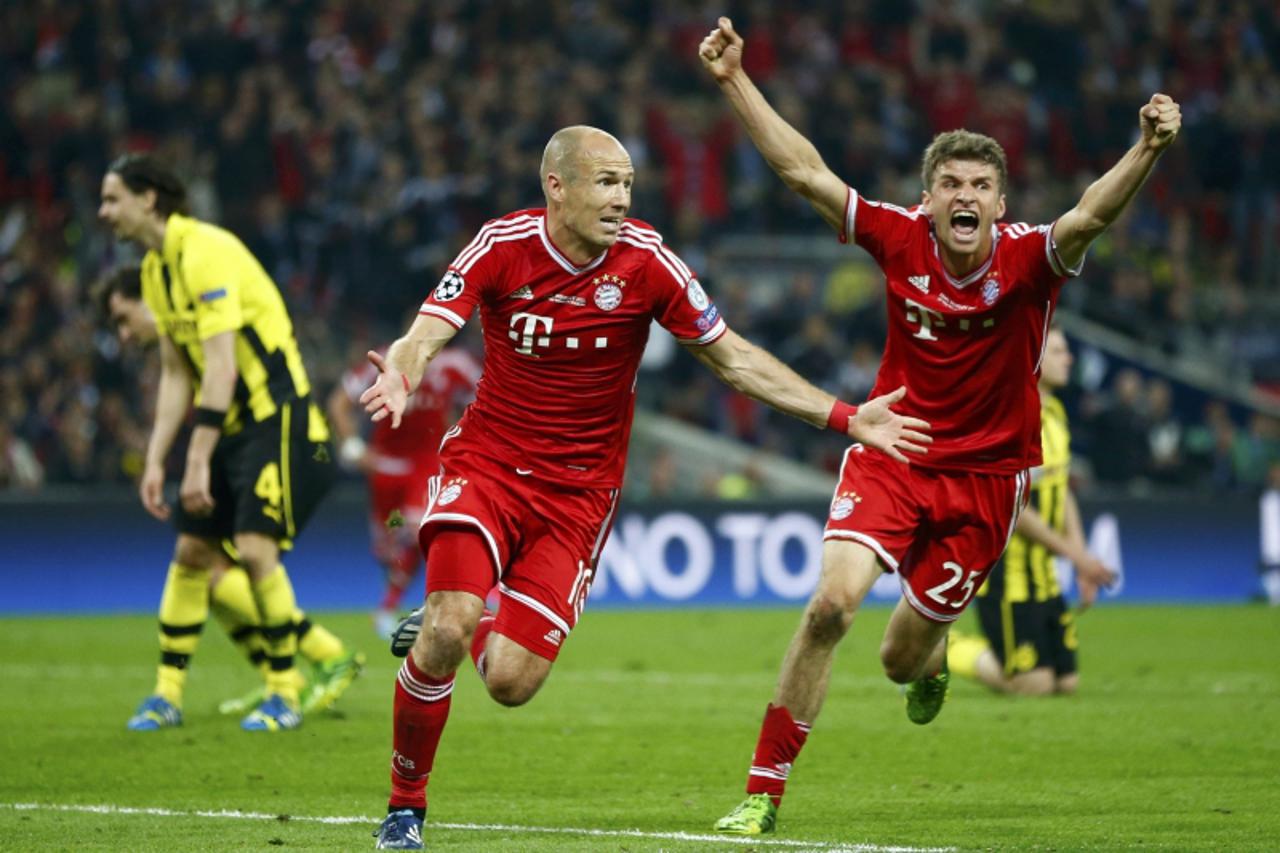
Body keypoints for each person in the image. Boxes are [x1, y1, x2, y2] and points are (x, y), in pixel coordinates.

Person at [359, 125, 932, 850]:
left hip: (577, 499)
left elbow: (734, 360)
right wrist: (402, 369)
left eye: (628, 183)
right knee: (445, 625)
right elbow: (428, 328)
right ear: (556, 187)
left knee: (510, 680)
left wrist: (846, 416)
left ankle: (480, 611)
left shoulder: (648, 262)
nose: (621, 198)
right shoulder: (502, 244)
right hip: (487, 467)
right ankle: (405, 809)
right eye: (605, 182)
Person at [698, 16, 1180, 835]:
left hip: (987, 482)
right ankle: (762, 792)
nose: (964, 197)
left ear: (1001, 202)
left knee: (897, 660)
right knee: (829, 608)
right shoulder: (899, 237)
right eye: (950, 183)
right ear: (929, 197)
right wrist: (734, 81)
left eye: (979, 186)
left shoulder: (1030, 260)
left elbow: (1090, 215)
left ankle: (932, 665)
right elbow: (804, 174)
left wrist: (1147, 149)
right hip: (896, 446)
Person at [97, 153, 345, 732]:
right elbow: (176, 373)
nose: (104, 212)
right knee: (192, 554)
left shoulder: (206, 251)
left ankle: (284, 692)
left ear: (147, 199)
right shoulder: (157, 271)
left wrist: (197, 459)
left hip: (275, 416)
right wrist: (157, 459)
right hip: (229, 426)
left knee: (255, 549)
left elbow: (219, 367)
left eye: (112, 199)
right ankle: (166, 694)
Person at [946, 326, 1117, 694]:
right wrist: (1076, 556)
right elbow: (1014, 509)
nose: (1068, 358)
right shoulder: (1011, 421)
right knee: (1034, 686)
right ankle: (940, 649)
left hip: (1043, 574)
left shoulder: (1054, 413)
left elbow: (1062, 490)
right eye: (1058, 351)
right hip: (1006, 576)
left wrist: (1081, 556)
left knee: (1066, 685)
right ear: (1034, 360)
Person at [326, 343, 480, 639]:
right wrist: (353, 447)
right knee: (391, 546)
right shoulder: (384, 361)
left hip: (426, 466)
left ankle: (394, 607)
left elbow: (487, 399)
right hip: (385, 470)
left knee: (416, 530)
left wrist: (465, 441)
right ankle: (400, 594)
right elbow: (339, 402)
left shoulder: (455, 363)